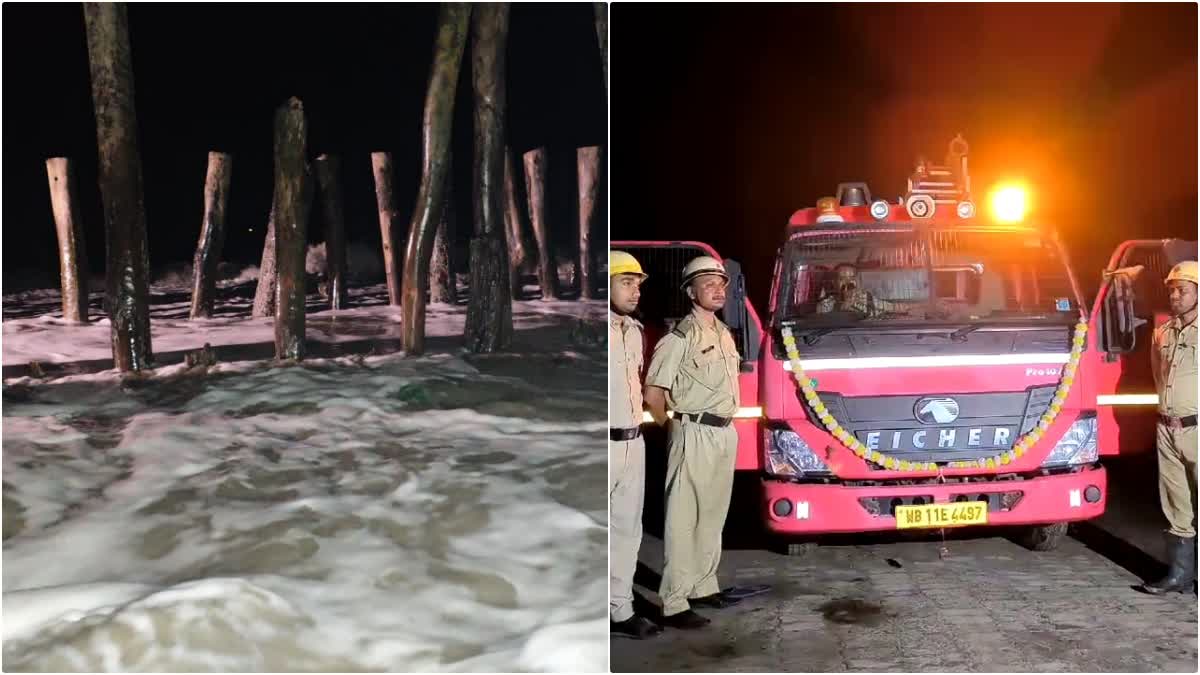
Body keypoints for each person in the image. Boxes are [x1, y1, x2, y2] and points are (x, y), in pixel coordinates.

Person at [643, 255, 742, 629]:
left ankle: (703, 585)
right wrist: (676, 429)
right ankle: (674, 600)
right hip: (693, 431)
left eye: (721, 284)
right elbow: (654, 394)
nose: (718, 290)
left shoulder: (723, 333)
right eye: (708, 284)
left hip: (723, 432)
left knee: (713, 515)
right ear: (690, 292)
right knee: (683, 518)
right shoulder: (678, 338)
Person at [608, 251, 662, 639]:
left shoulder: (634, 330)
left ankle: (620, 610)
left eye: (638, 284)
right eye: (626, 283)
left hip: (632, 442)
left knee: (628, 531)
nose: (635, 291)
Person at [1142, 260, 1198, 595]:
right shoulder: (1162, 333)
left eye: (1183, 290)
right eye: (1172, 290)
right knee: (1176, 505)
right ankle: (1179, 576)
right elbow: (1157, 376)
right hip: (1167, 428)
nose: (1175, 296)